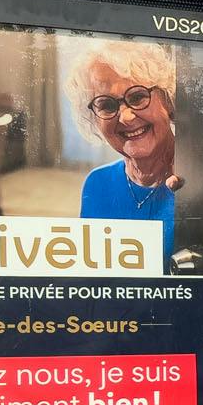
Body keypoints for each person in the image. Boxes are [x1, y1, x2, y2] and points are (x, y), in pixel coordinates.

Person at [70, 39, 184, 265]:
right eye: (106, 105)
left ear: (168, 99)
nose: (126, 117)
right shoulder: (97, 184)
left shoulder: (202, 179)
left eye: (138, 97)